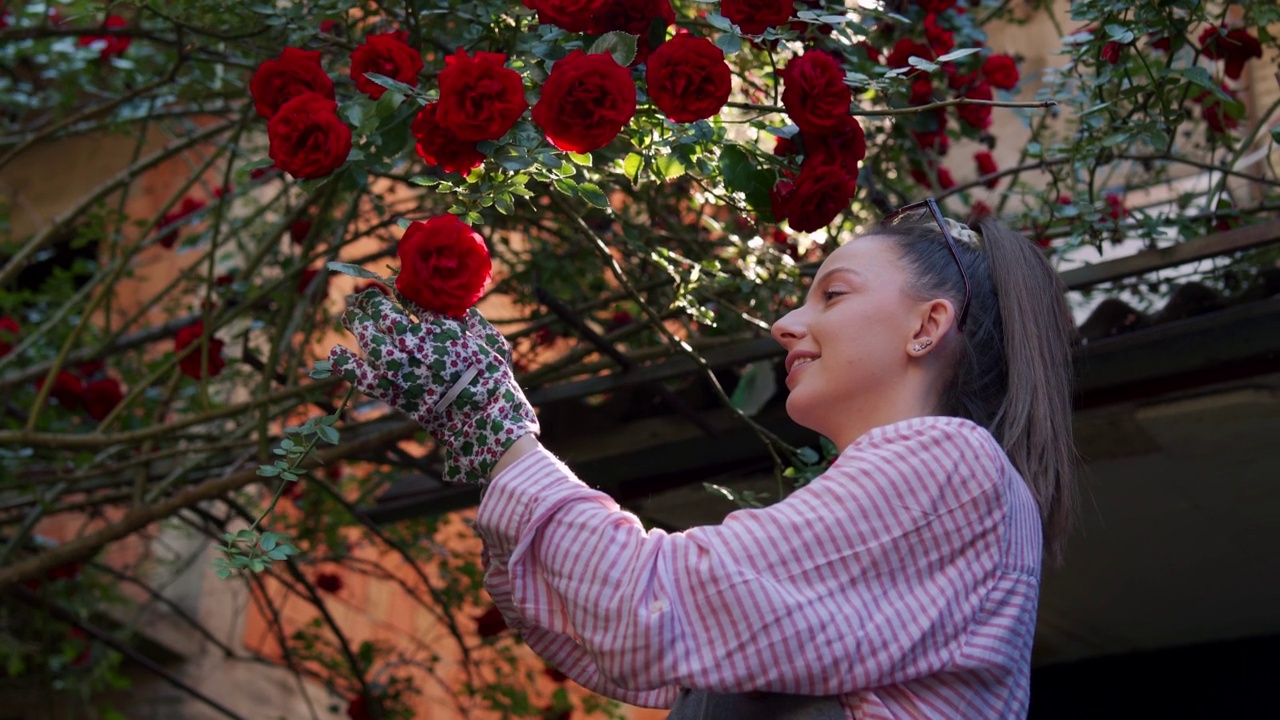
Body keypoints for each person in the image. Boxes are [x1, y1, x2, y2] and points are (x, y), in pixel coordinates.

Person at [330, 198, 1078, 719]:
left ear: (928, 326)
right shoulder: (949, 484)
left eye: (832, 295)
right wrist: (487, 431)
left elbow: (656, 602)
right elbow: (633, 634)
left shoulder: (948, 466)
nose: (787, 323)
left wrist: (493, 424)